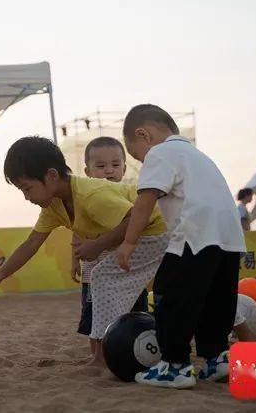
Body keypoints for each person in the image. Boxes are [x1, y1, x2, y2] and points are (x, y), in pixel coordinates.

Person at [0, 136, 167, 368]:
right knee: (101, 281)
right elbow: (31, 243)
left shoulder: (91, 195)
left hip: (157, 230)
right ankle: (100, 354)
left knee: (103, 278)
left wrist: (98, 245)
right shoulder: (54, 205)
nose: (26, 197)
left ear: (52, 176)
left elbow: (136, 217)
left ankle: (102, 357)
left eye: (27, 188)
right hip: (140, 235)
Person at [116, 104, 244, 389]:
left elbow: (145, 200)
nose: (142, 160)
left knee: (169, 293)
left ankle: (174, 365)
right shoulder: (199, 156)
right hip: (229, 238)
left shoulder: (160, 152)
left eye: (137, 154)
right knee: (216, 299)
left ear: (143, 134)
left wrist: (128, 242)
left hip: (194, 235)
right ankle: (217, 357)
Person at [72, 137, 149, 356]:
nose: (109, 171)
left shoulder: (132, 195)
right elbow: (76, 231)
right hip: (93, 275)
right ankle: (97, 355)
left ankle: (131, 354)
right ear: (87, 171)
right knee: (94, 318)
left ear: (124, 168)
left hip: (129, 273)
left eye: (115, 165)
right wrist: (73, 259)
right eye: (101, 166)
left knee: (135, 317)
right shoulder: (86, 198)